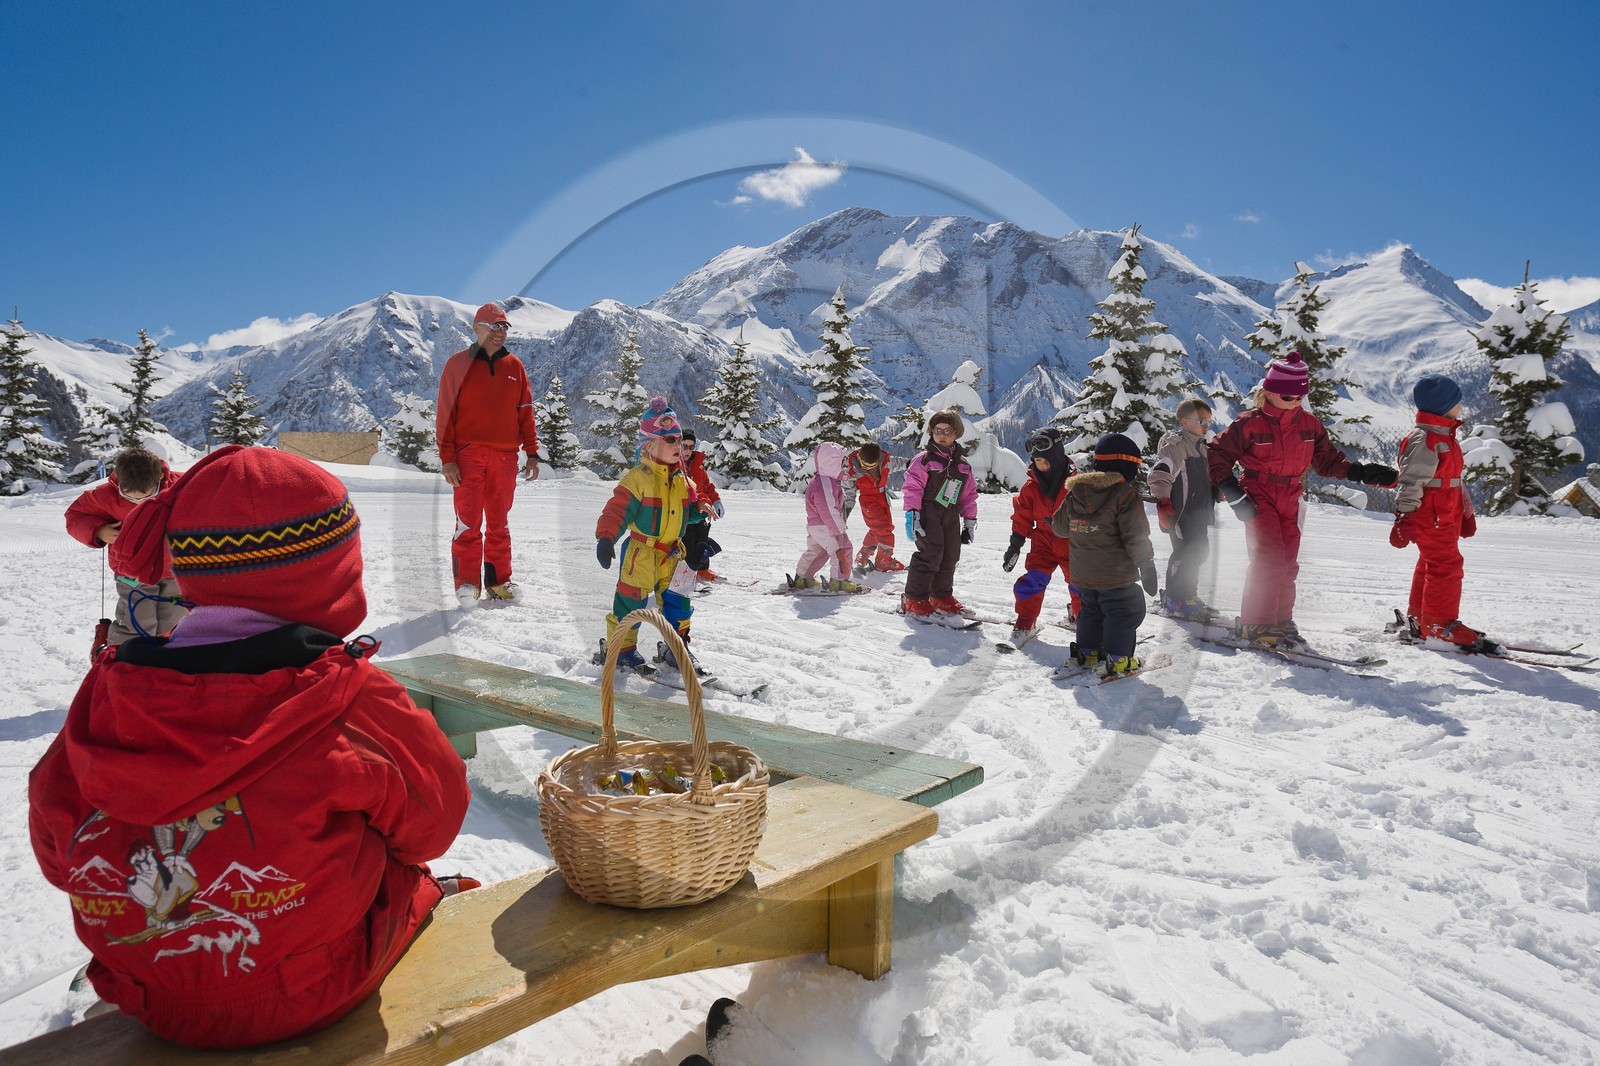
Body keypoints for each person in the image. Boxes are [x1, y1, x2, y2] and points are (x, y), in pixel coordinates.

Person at [29, 445, 473, 1049]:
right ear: (335, 574)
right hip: (316, 987)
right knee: (401, 857)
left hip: (148, 994)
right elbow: (432, 825)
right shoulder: (354, 699)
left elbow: (60, 859)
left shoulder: (108, 697)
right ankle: (423, 902)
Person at [1207, 352, 1398, 649]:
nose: (1295, 401)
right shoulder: (1250, 424)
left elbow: (1327, 461)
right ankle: (1256, 622)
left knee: (1288, 562)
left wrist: (1361, 472)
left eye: (1300, 396)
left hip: (1292, 495)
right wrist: (1232, 491)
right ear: (1268, 392)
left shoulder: (1309, 425)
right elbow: (1218, 453)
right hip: (1258, 492)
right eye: (1287, 396)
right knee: (1268, 558)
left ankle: (1281, 620)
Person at [595, 398, 716, 674]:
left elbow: (690, 507)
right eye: (671, 439)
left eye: (680, 440)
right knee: (631, 602)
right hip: (641, 553)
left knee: (679, 602)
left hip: (673, 554)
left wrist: (700, 507)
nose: (678, 445)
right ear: (650, 444)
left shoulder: (682, 480)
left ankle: (676, 648)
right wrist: (606, 538)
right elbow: (617, 511)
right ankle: (622, 650)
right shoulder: (637, 479)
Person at [435, 302, 540, 609]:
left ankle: (498, 582)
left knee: (499, 522)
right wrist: (447, 458)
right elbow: (445, 414)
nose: (500, 332)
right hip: (468, 455)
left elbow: (526, 413)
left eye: (504, 327)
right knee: (468, 521)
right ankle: (467, 584)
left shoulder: (515, 367)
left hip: (506, 457)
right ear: (476, 328)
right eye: (494, 326)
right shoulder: (457, 365)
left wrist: (532, 452)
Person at [1390, 373, 1486, 647]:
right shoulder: (1425, 439)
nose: (1460, 406)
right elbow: (1410, 481)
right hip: (1431, 515)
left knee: (1431, 562)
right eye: (1456, 402)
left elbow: (1453, 482)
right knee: (1446, 565)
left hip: (1445, 514)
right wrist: (1405, 516)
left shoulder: (1444, 435)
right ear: (1443, 406)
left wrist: (1466, 513)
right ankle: (1439, 624)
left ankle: (1420, 616)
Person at [1051, 433, 1158, 678]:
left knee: (1090, 610)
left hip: (1082, 574)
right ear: (1125, 464)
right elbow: (1136, 535)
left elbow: (1059, 528)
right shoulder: (1125, 495)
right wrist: (1146, 563)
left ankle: (1087, 652)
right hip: (1116, 576)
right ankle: (1119, 659)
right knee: (1124, 610)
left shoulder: (1076, 492)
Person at [64, 447, 187, 647]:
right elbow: (75, 516)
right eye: (129, 496)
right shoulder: (106, 496)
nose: (137, 501)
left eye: (145, 496)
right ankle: (124, 661)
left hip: (175, 570)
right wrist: (99, 531)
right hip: (131, 572)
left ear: (159, 478)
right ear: (119, 481)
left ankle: (163, 662)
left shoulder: (181, 486)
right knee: (137, 622)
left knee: (172, 620)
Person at [1001, 427, 1079, 642]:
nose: (1041, 467)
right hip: (1043, 542)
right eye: (1037, 462)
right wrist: (1015, 545)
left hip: (1073, 543)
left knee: (1080, 584)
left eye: (1046, 462)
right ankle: (1026, 619)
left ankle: (1084, 619)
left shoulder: (1076, 485)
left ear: (1056, 457)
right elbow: (1022, 516)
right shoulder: (1031, 487)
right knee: (1033, 579)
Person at [901, 409, 979, 619]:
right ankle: (914, 598)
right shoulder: (924, 460)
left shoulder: (963, 466)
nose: (942, 434)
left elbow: (969, 494)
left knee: (950, 554)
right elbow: (912, 487)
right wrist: (912, 513)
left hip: (951, 513)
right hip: (928, 512)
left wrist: (969, 520)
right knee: (930, 553)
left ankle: (940, 596)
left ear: (956, 434)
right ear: (931, 432)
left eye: (947, 430)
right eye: (937, 430)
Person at [1147, 397, 1220, 620]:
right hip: (1180, 514)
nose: (1206, 426)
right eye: (1201, 421)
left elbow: (1203, 478)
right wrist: (1163, 503)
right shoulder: (1176, 447)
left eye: (1208, 422)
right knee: (1184, 553)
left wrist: (1215, 490)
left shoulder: (1201, 447)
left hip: (1198, 513)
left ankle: (1188, 595)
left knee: (1199, 552)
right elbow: (1159, 475)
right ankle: (1174, 597)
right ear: (1184, 422)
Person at [790, 441, 860, 592]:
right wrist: (839, 529)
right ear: (832, 463)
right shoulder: (825, 484)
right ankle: (839, 581)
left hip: (817, 526)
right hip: (826, 525)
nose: (843, 466)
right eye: (841, 462)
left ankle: (803, 578)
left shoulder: (822, 480)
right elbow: (827, 509)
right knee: (842, 549)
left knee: (817, 551)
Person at [844, 442, 903, 573]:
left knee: (876, 528)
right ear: (859, 457)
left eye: (872, 465)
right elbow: (849, 494)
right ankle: (883, 561)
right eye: (865, 464)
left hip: (883, 498)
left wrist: (914, 463)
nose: (868, 468)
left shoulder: (884, 461)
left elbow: (899, 463)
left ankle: (863, 555)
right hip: (868, 501)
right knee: (884, 530)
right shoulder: (852, 471)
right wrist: (845, 511)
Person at [679, 428, 723, 582]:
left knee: (702, 539)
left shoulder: (697, 465)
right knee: (688, 542)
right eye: (684, 446)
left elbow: (707, 485)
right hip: (686, 512)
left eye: (691, 447)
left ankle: (703, 569)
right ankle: (689, 571)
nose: (688, 450)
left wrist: (716, 500)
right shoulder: (676, 466)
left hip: (701, 510)